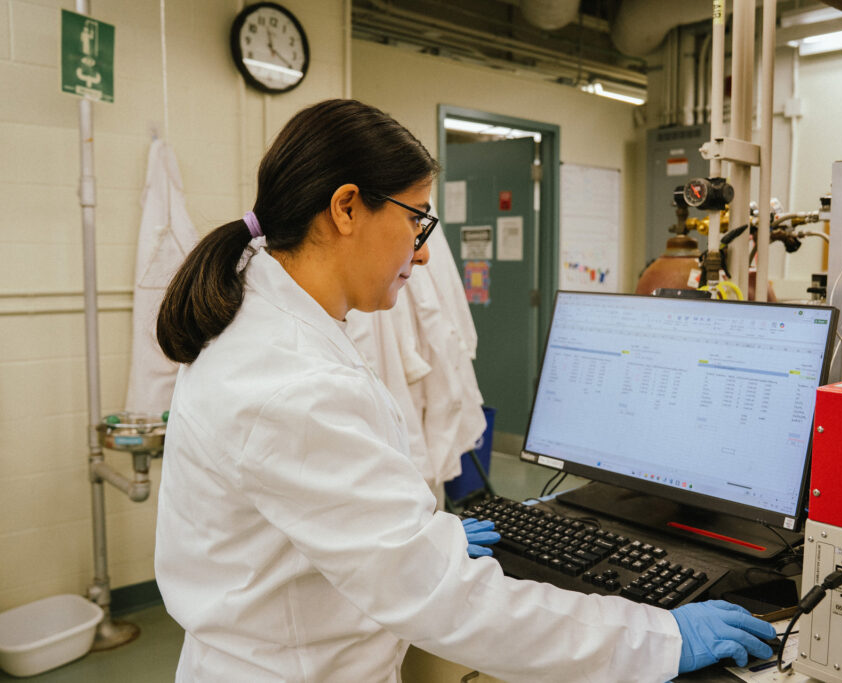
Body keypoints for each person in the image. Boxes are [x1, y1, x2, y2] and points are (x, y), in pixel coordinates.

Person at [153, 99, 775, 682]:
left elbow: (326, 508)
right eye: (417, 221)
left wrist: (426, 538)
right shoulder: (291, 378)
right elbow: (448, 603)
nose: (422, 256)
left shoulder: (262, 315)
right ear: (346, 209)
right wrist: (659, 638)